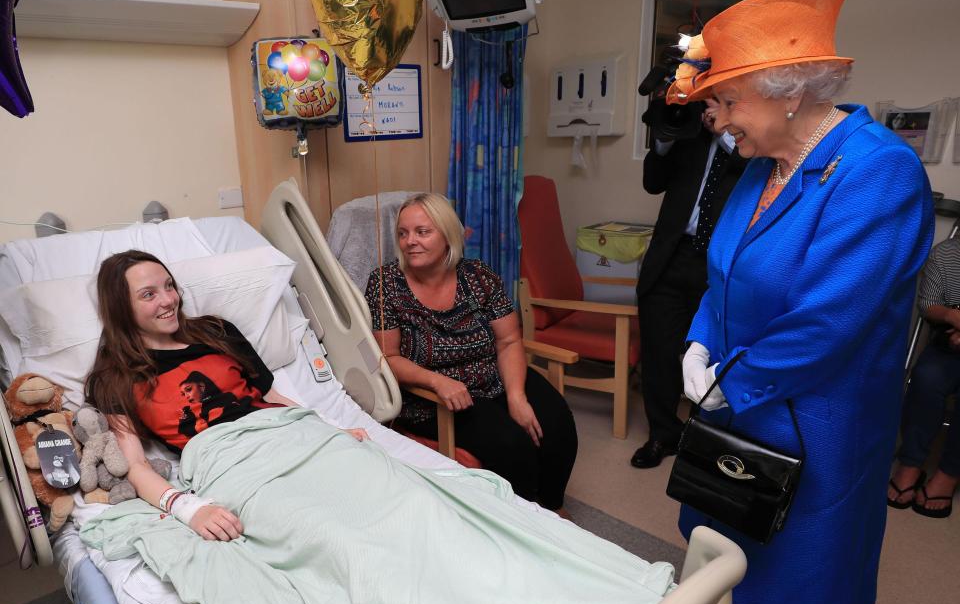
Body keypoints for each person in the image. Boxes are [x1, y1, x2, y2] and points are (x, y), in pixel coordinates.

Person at [663, 0, 934, 604]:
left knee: (801, 547)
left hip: (821, 411)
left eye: (725, 103)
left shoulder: (880, 172)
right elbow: (726, 269)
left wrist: (728, 379)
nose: (717, 123)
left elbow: (829, 319)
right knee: (733, 521)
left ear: (785, 91)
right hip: (741, 387)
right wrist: (701, 338)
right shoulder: (760, 165)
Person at [84, 249, 367, 541]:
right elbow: (135, 465)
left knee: (375, 486)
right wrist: (188, 509)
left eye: (169, 285)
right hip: (230, 461)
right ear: (121, 308)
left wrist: (331, 430)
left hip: (287, 433)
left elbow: (273, 398)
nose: (168, 300)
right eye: (148, 295)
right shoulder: (115, 376)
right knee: (319, 529)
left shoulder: (216, 331)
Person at [364, 192, 578, 513]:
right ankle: (525, 521)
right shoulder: (385, 284)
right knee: (511, 444)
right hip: (432, 396)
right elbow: (388, 357)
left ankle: (552, 509)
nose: (410, 241)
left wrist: (516, 396)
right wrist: (436, 382)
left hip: (493, 377)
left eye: (423, 232)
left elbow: (507, 342)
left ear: (448, 236)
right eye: (403, 233)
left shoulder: (478, 275)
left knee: (558, 423)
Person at [631, 107, 745, 468]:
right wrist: (664, 139)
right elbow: (653, 182)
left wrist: (724, 133)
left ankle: (706, 439)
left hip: (721, 260)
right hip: (671, 254)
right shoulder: (689, 131)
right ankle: (662, 433)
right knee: (660, 352)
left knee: (714, 353)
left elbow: (757, 174)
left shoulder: (747, 135)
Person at [887, 235, 960, 518]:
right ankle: (911, 463)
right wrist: (954, 318)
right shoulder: (944, 254)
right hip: (947, 343)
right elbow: (928, 303)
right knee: (926, 380)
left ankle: (948, 473)